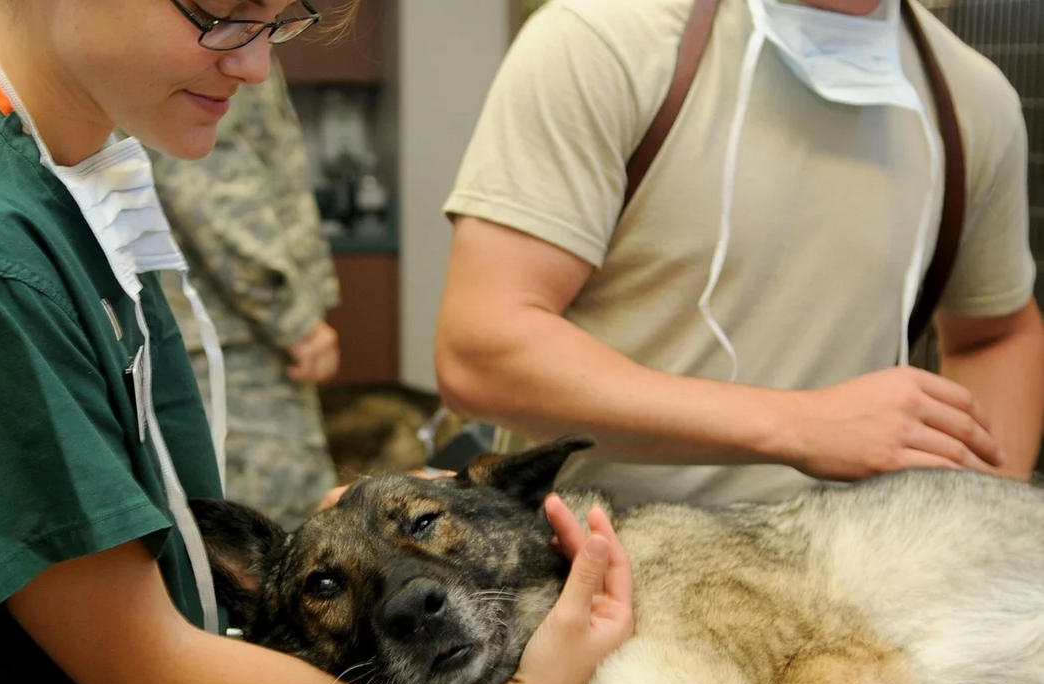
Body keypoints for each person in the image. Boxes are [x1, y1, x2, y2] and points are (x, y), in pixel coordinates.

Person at [0, 3, 634, 684]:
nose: (254, 66)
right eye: (223, 15)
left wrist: (360, 534)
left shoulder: (60, 172)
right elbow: (143, 672)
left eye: (279, 25)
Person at [435, 0, 1044, 512]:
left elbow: (996, 333)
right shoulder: (605, 41)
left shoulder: (972, 101)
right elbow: (482, 349)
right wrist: (798, 425)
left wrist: (979, 521)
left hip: (853, 584)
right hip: (600, 582)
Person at [151, 58, 342, 530]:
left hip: (221, 331)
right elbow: (211, 186)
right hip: (231, 339)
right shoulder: (217, 30)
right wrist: (292, 320)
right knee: (274, 541)